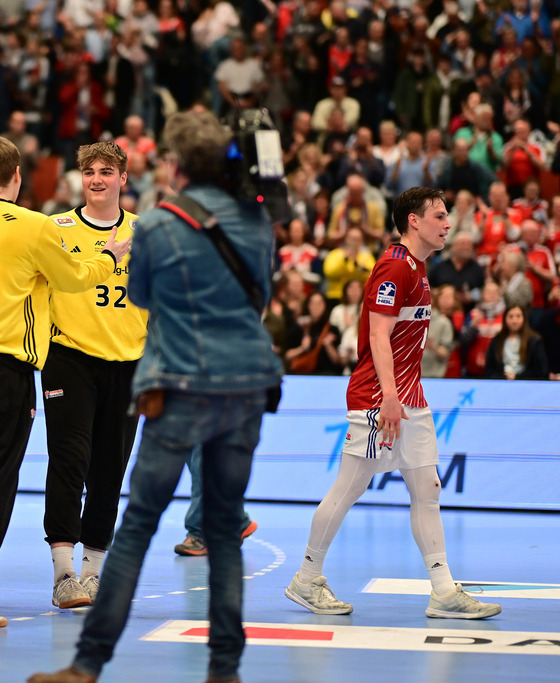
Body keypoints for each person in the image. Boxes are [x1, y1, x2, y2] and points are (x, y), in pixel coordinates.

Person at [29, 110, 282, 683]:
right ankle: (225, 669)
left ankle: (87, 664)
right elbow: (262, 294)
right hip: (245, 386)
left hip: (180, 381)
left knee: (139, 520)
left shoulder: (161, 226)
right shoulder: (254, 222)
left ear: (174, 165)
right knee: (222, 531)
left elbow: (140, 291)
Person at [0, 136, 130, 628]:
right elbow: (75, 279)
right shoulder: (35, 225)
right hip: (1, 366)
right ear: (16, 174)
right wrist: (111, 255)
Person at [284, 186, 502, 620]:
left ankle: (443, 591)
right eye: (439, 215)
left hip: (412, 398)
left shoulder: (420, 268)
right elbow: (377, 336)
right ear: (414, 221)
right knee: (349, 488)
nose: (447, 223)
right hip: (378, 399)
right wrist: (387, 397)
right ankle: (306, 579)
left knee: (428, 489)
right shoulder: (393, 268)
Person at [39, 141, 147, 610]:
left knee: (110, 469)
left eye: (107, 171)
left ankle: (93, 575)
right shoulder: (55, 228)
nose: (97, 179)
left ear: (124, 177)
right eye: (89, 172)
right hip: (70, 357)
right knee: (68, 461)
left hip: (129, 364)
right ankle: (64, 576)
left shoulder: (147, 233)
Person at [484, 304, 549, 380]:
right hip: (501, 384)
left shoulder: (534, 340)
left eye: (518, 316)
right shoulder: (497, 340)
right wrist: (503, 377)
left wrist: (518, 378)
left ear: (524, 319)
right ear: (505, 319)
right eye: (511, 317)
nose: (514, 321)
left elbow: (541, 371)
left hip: (527, 385)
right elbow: (489, 370)